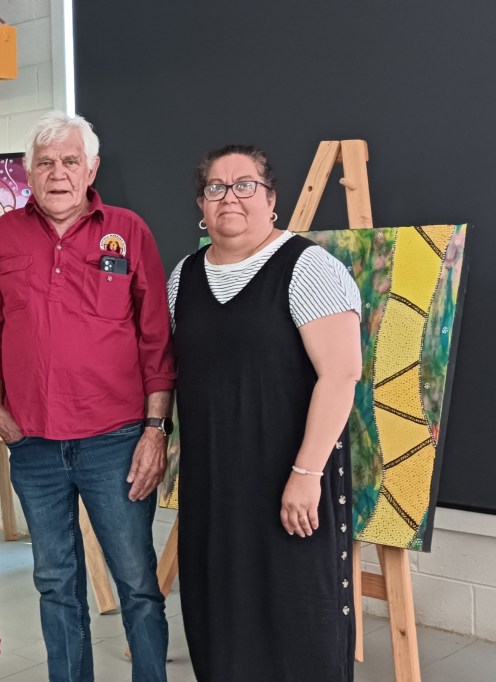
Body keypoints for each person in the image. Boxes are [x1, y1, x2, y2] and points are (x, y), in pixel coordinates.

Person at [0, 111, 175, 682]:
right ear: (28, 172)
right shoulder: (4, 236)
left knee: (137, 582)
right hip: (33, 442)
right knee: (55, 583)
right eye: (45, 162)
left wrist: (155, 431)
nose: (57, 173)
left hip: (116, 439)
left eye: (69, 161)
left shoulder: (128, 231)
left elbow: (156, 338)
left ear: (92, 169)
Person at [169, 145, 362, 681]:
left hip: (289, 483)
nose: (229, 197)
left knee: (296, 619)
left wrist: (306, 473)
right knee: (220, 617)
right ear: (201, 205)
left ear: (271, 199)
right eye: (215, 187)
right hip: (213, 488)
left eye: (245, 185)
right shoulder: (183, 277)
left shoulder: (308, 267)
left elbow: (340, 375)